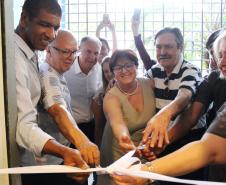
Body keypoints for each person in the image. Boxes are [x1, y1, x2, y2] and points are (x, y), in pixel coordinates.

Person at [112, 29, 226, 185]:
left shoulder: (190, 70)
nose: (162, 52)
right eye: (158, 47)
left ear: (180, 48)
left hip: (188, 142)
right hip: (164, 141)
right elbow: (135, 87)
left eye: (168, 47)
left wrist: (164, 114)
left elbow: (184, 97)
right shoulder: (153, 72)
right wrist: (114, 86)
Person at [15, 1, 88, 185]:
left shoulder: (30, 56)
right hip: (36, 165)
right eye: (45, 25)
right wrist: (76, 144)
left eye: (56, 27)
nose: (51, 34)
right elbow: (27, 123)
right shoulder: (16, 59)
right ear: (24, 19)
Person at [38, 30, 100, 185]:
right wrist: (83, 142)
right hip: (49, 163)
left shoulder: (58, 72)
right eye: (65, 51)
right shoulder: (47, 74)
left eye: (73, 52)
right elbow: (57, 110)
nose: (71, 57)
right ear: (48, 49)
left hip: (62, 152)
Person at [97, 49, 156, 185]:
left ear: (136, 66)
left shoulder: (150, 84)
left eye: (128, 65)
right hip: (120, 150)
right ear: (113, 72)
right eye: (118, 67)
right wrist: (123, 137)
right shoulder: (111, 97)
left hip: (146, 150)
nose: (124, 71)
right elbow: (117, 123)